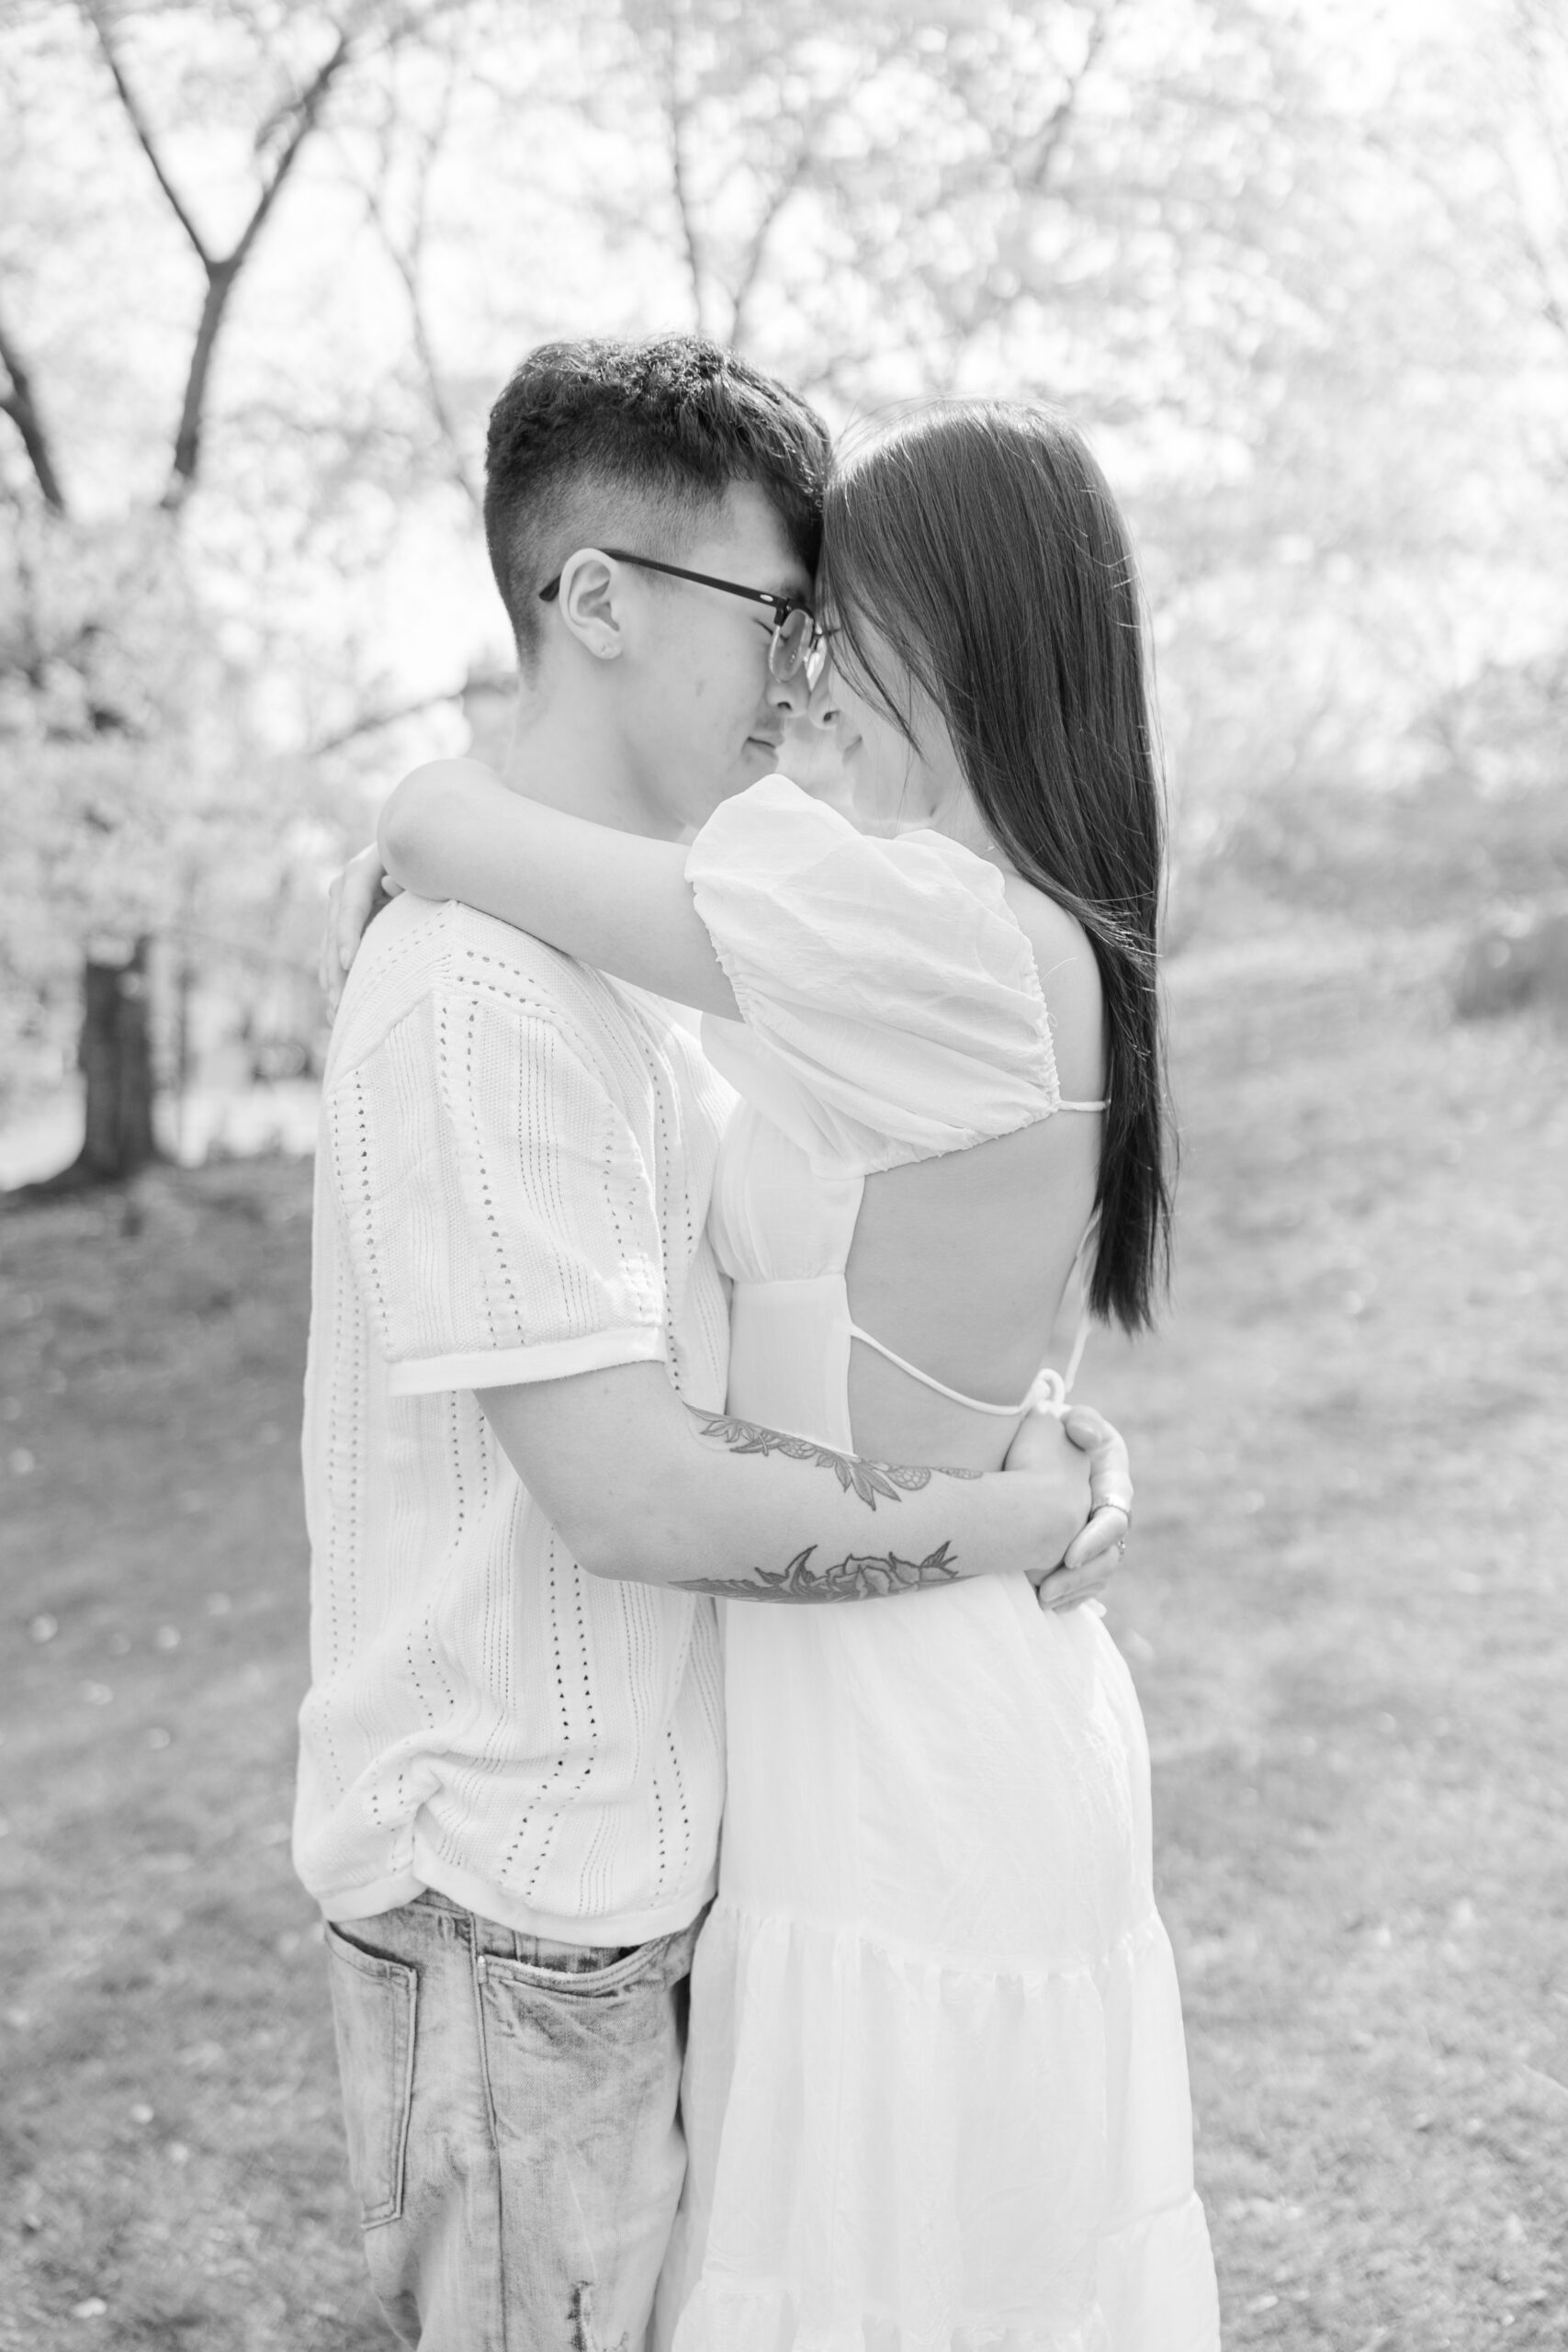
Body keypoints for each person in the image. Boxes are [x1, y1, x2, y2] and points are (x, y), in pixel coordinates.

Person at [353, 396, 1220, 2346]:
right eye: (786, 621)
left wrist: (411, 809)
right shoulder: (998, 937)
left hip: (905, 1750)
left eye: (837, 624)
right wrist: (1065, 1476)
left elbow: (453, 833)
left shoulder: (934, 932)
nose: (800, 671)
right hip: (932, 1708)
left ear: (966, 636)